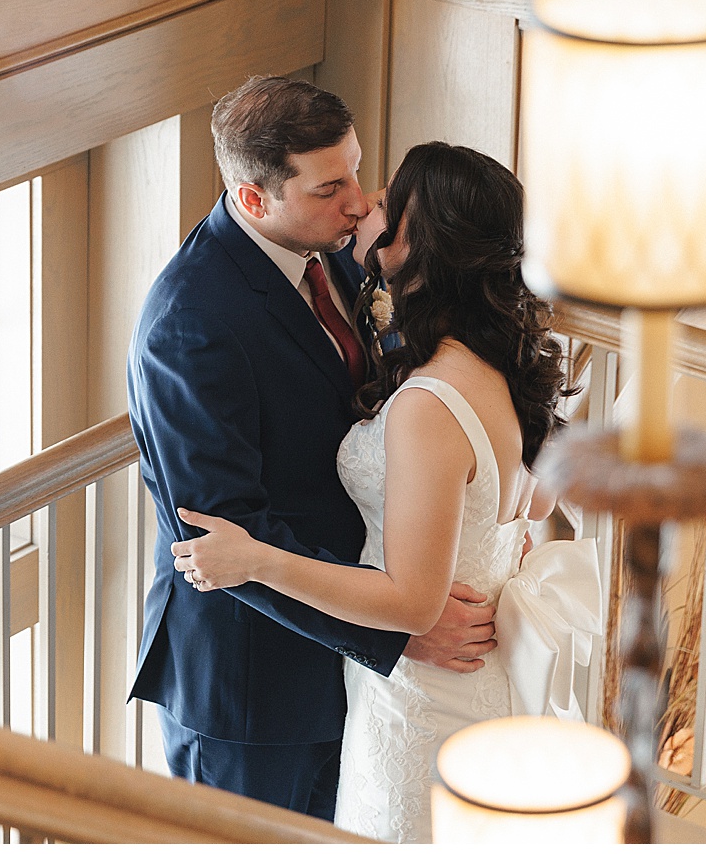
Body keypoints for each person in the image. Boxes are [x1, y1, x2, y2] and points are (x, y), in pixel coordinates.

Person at [172, 140, 575, 840]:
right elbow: (533, 503)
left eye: (385, 201)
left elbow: (415, 603)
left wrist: (257, 559)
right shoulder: (497, 360)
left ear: (417, 246)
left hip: (424, 704)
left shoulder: (429, 404)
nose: (362, 206)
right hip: (474, 685)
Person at [125, 79, 501, 821]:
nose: (360, 203)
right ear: (255, 198)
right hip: (253, 686)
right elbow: (223, 541)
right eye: (331, 186)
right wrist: (398, 631)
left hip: (347, 659)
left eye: (357, 172)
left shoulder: (333, 251)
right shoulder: (190, 326)